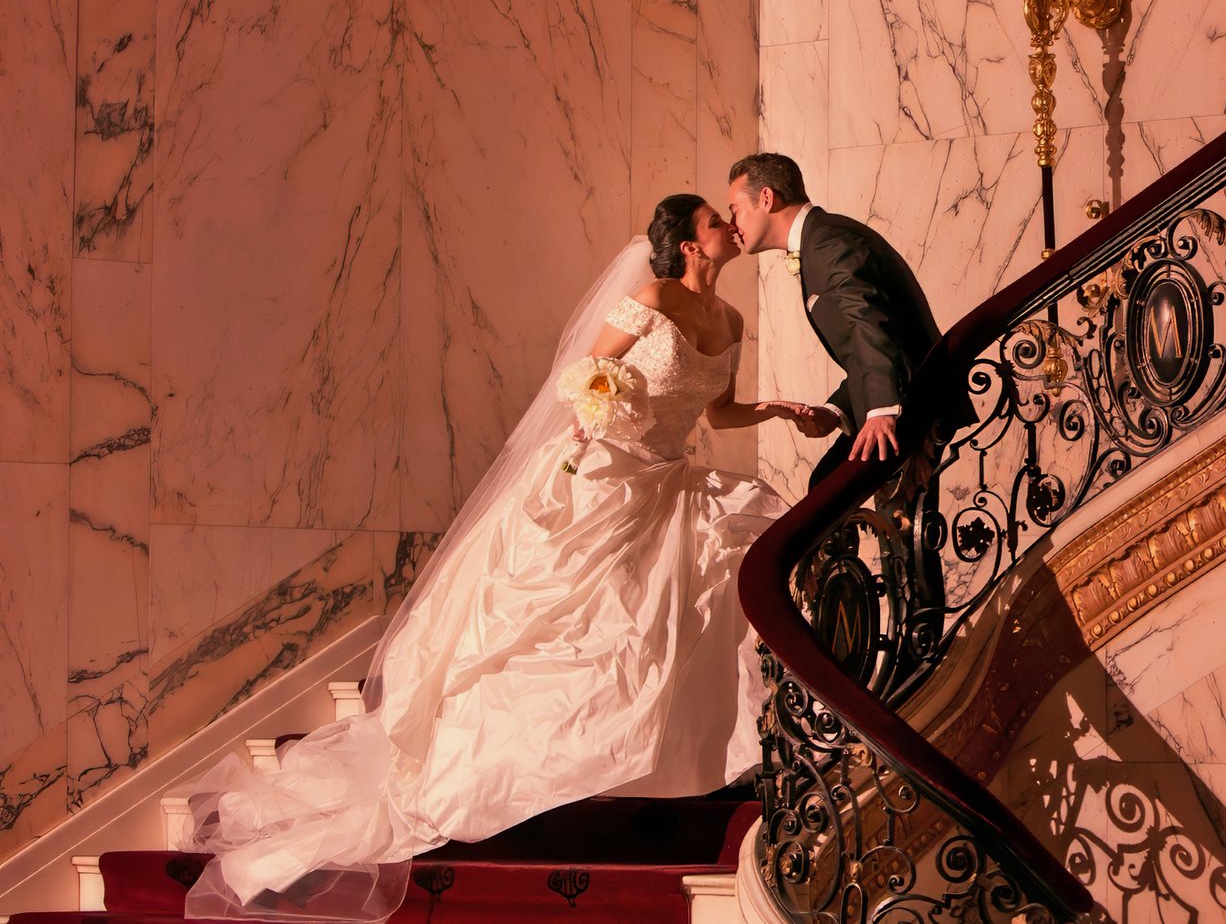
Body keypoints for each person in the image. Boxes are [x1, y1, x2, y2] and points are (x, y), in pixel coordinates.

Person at [179, 197, 838, 921]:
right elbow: (586, 377)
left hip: (668, 477)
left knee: (717, 572)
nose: (729, 226)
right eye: (717, 219)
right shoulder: (650, 298)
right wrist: (603, 418)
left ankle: (648, 753)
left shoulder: (732, 321)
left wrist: (779, 409)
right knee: (581, 621)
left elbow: (719, 413)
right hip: (608, 477)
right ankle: (501, 764)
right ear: (689, 242)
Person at [721, 152, 971, 488]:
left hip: (910, 404)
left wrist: (882, 410)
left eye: (735, 210)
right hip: (903, 398)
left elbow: (867, 324)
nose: (733, 225)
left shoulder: (826, 242)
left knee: (833, 500)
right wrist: (834, 412)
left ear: (766, 198)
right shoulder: (820, 237)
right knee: (828, 494)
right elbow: (863, 344)